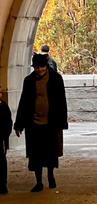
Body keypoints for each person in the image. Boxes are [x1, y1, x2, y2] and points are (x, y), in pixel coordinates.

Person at [14, 53, 68, 192]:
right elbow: (24, 102)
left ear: (46, 66)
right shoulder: (29, 81)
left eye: (42, 67)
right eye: (37, 67)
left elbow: (62, 101)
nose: (39, 70)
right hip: (34, 123)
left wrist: (62, 121)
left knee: (51, 152)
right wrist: (19, 124)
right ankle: (38, 181)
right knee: (35, 154)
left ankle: (50, 175)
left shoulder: (56, 79)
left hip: (51, 122)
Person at [0, 84, 12, 195]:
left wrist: (5, 134)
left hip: (1, 138)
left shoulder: (3, 106)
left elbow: (8, 122)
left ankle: (2, 185)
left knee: (1, 162)